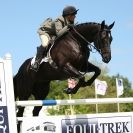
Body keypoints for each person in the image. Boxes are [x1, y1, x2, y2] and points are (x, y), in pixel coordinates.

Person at [30, 5, 79, 72]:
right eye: (74, 14)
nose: (75, 16)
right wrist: (67, 26)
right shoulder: (58, 21)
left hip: (54, 34)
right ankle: (36, 62)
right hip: (45, 32)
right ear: (68, 16)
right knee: (45, 44)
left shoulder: (70, 21)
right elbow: (59, 33)